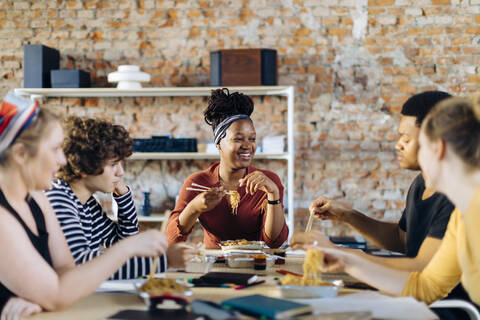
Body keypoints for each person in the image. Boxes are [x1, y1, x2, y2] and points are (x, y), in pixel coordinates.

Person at [0, 93, 169, 319]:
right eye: (54, 149)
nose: (62, 160)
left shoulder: (38, 199)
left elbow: (68, 275)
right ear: (21, 154)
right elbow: (59, 291)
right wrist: (131, 250)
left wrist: (44, 298)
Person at [310, 94, 480, 307]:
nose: (399, 146)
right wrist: (345, 260)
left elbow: (421, 270)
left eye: (417, 144)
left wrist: (347, 257)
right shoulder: (460, 217)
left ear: (439, 149)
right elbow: (427, 286)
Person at [294, 91, 454, 271]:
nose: (398, 144)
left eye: (407, 139)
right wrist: (346, 215)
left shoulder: (454, 197)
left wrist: (342, 255)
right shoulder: (420, 184)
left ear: (437, 142)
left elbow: (422, 268)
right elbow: (402, 239)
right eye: (400, 136)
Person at [46, 116, 194, 279]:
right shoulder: (59, 199)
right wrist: (162, 261)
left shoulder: (86, 203)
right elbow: (80, 267)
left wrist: (124, 199)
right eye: (113, 164)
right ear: (85, 165)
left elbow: (120, 244)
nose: (121, 172)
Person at [165, 88, 289, 249]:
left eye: (252, 139)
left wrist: (273, 194)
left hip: (258, 265)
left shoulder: (268, 182)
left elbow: (275, 242)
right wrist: (194, 208)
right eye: (238, 139)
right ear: (218, 144)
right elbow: (170, 241)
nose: (247, 146)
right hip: (215, 266)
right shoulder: (197, 183)